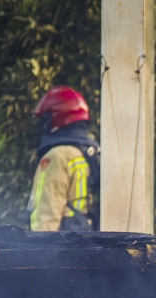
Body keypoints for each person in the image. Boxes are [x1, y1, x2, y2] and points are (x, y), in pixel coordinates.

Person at [29, 87, 100, 232]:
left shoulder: (57, 156)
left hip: (64, 243)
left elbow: (47, 216)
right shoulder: (93, 153)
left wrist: (39, 245)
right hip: (92, 241)